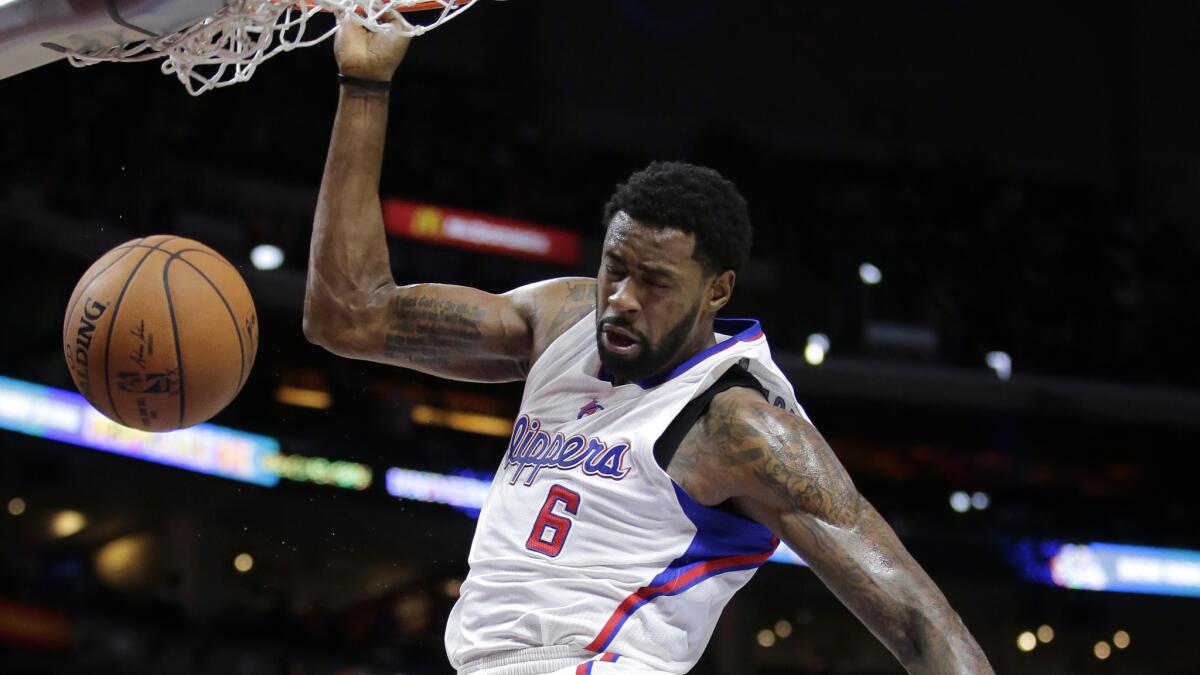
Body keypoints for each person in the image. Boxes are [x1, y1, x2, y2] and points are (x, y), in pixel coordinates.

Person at [303, 19, 995, 675]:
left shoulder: (740, 424)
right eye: (615, 267)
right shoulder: (564, 319)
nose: (624, 297)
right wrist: (365, 86)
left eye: (656, 281)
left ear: (718, 290)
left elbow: (918, 619)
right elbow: (348, 315)